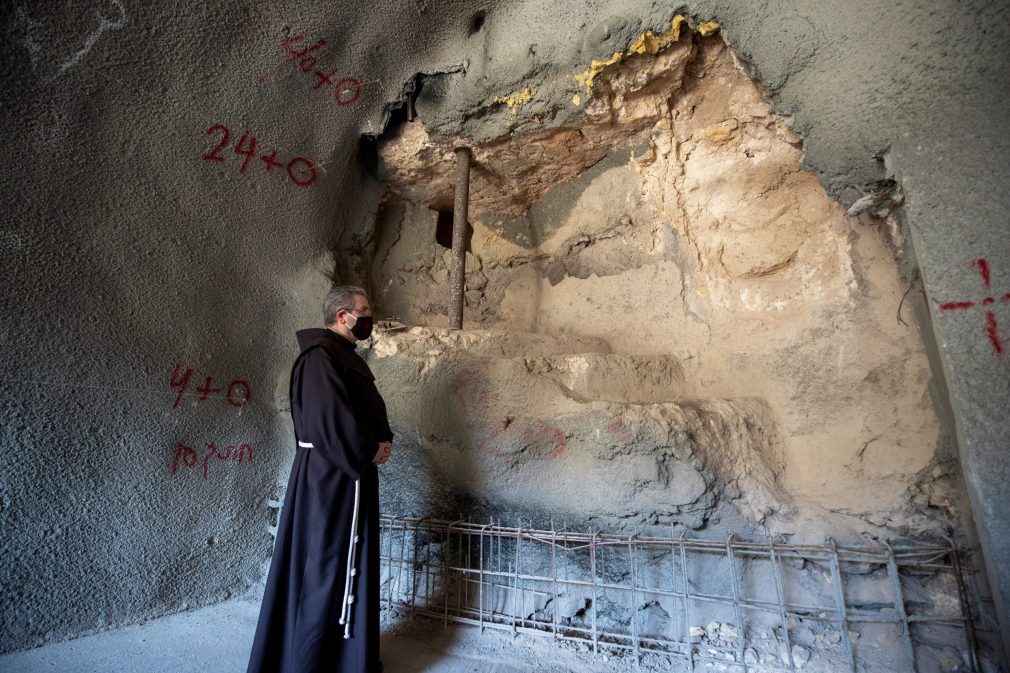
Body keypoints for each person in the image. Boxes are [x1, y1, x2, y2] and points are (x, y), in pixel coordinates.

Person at [247, 285, 393, 673]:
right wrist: (367, 451)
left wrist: (383, 441)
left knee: (345, 560)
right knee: (325, 563)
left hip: (349, 474)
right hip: (330, 477)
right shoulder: (319, 357)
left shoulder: (342, 355)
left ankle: (346, 659)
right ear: (342, 315)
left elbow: (361, 411)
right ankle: (312, 662)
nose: (367, 318)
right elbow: (329, 420)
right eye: (362, 311)